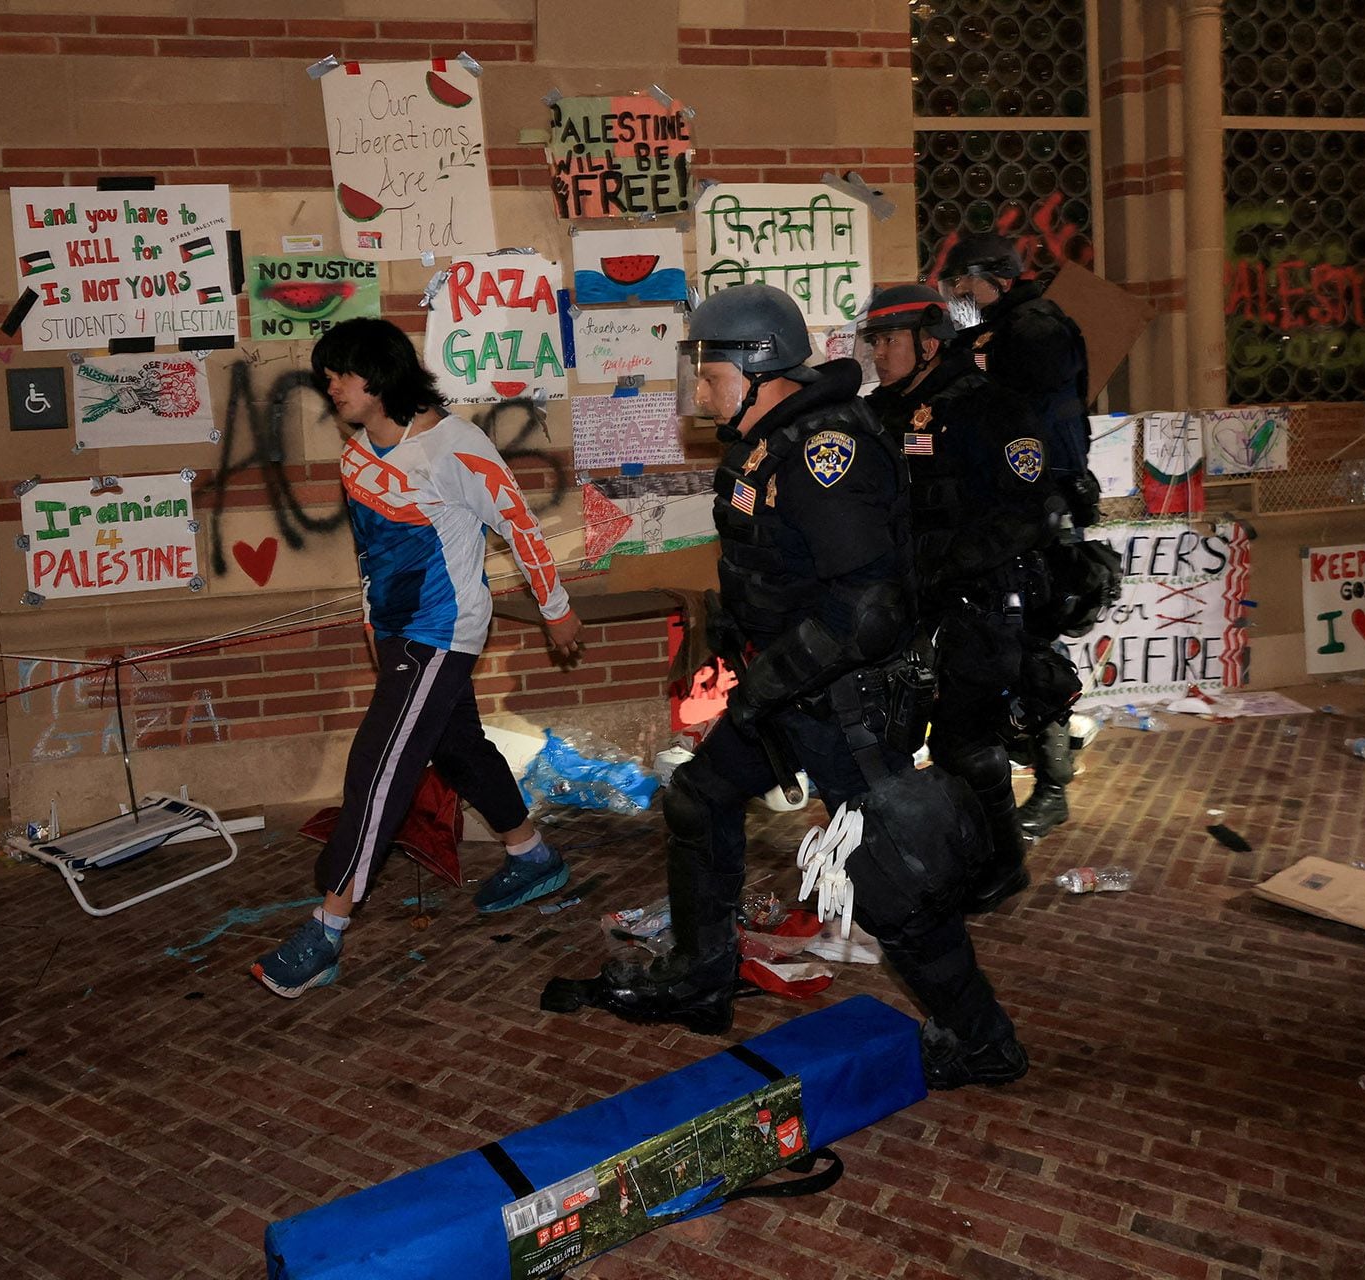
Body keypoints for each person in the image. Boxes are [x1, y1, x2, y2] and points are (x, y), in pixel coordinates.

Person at [543, 284, 1027, 1090]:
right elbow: (775, 572)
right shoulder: (763, 441)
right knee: (699, 797)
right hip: (786, 691)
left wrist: (772, 678)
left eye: (710, 371)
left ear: (757, 366)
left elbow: (868, 610)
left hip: (844, 703)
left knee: (893, 877)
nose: (699, 389)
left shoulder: (822, 450)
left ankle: (982, 1040)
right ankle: (700, 975)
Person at [252, 318, 583, 999]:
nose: (330, 385)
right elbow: (373, 556)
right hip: (398, 633)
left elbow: (518, 524)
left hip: (445, 630)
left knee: (378, 768)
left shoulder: (456, 448)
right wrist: (373, 626)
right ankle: (532, 855)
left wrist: (556, 611)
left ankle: (327, 929)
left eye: (340, 372)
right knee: (457, 747)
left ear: (380, 374)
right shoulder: (356, 459)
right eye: (326, 375)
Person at [859, 285, 1067, 912]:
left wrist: (947, 566)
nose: (879, 355)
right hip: (910, 605)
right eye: (873, 342)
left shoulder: (990, 408)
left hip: (979, 601)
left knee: (964, 741)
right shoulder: (883, 412)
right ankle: (947, 853)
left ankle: (1004, 864)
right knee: (897, 737)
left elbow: (1026, 513)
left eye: (888, 341)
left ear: (928, 341)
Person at [937, 235, 1102, 839]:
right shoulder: (1000, 328)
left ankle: (1053, 783)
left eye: (962, 285)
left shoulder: (1033, 329)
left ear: (994, 281)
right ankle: (1033, 750)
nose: (956, 296)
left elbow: (1024, 413)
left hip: (1040, 510)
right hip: (999, 511)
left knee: (1035, 641)